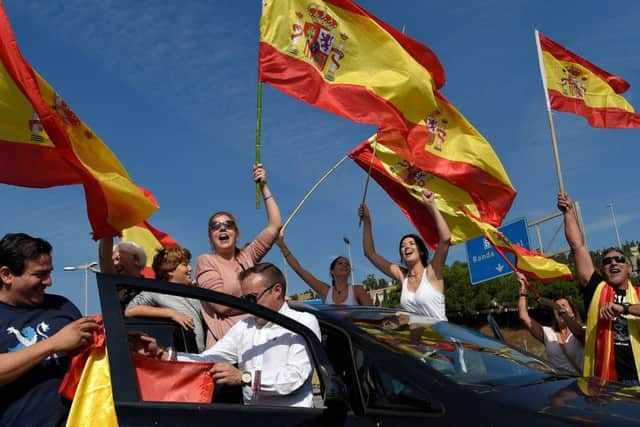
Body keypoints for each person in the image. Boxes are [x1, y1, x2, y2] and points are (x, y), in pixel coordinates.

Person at [134, 262, 320, 407]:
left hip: (296, 419)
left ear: (277, 291)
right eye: (244, 299)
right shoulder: (245, 326)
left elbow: (294, 377)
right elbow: (210, 358)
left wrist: (243, 378)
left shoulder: (303, 322)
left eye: (251, 298)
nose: (248, 305)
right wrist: (162, 354)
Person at [0, 233, 99, 426]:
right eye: (39, 275)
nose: (49, 282)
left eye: (49, 273)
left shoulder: (62, 306)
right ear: (7, 275)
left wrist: (127, 343)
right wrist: (54, 344)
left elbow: (93, 354)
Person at [196, 163, 281, 347]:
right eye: (216, 226)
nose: (223, 228)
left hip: (258, 341)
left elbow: (275, 225)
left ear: (237, 233)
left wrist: (263, 187)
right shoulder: (206, 261)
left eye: (228, 224)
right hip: (228, 347)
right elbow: (222, 305)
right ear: (210, 236)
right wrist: (263, 299)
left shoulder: (247, 256)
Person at [558, 192, 640, 383]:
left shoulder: (637, 293)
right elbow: (577, 246)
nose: (614, 263)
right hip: (604, 383)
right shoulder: (596, 288)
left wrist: (624, 308)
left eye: (620, 260)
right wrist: (568, 213)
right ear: (602, 269)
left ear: (629, 268)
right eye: (607, 261)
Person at [359, 190, 451, 319]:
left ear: (421, 251)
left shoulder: (432, 272)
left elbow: (445, 239)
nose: (406, 246)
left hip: (440, 337)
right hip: (417, 338)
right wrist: (367, 222)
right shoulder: (403, 276)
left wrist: (431, 206)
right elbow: (370, 253)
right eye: (402, 246)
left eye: (411, 243)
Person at [125, 247, 206, 352]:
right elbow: (130, 310)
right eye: (185, 265)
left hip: (203, 355)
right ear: (170, 271)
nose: (190, 269)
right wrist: (171, 313)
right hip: (182, 355)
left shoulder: (195, 291)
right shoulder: (157, 291)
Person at [516, 272, 585, 375]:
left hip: (580, 385)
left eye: (563, 306)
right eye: (556, 308)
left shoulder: (583, 330)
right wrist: (523, 290)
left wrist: (555, 306)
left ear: (573, 313)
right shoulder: (548, 333)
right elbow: (523, 317)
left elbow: (579, 333)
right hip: (558, 385)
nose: (559, 309)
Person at [276, 235, 372, 305]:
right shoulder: (325, 291)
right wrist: (282, 245)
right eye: (340, 263)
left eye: (347, 264)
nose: (344, 265)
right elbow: (299, 270)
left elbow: (372, 316)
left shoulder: (358, 290)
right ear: (332, 271)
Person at [98, 237, 147, 308]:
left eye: (118, 259)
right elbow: (104, 259)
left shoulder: (154, 287)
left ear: (136, 259)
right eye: (112, 261)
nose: (114, 264)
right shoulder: (114, 285)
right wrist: (106, 232)